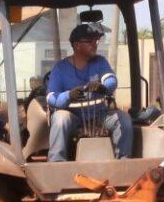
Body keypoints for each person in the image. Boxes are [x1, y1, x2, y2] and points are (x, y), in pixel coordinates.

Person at [45, 23, 133, 162]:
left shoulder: (100, 62)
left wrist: (102, 87)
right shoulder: (60, 68)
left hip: (99, 114)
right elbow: (51, 97)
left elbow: (111, 79)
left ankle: (123, 161)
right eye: (90, 41)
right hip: (73, 116)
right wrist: (69, 95)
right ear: (77, 45)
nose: (95, 44)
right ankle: (56, 164)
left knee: (123, 118)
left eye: (96, 41)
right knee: (60, 119)